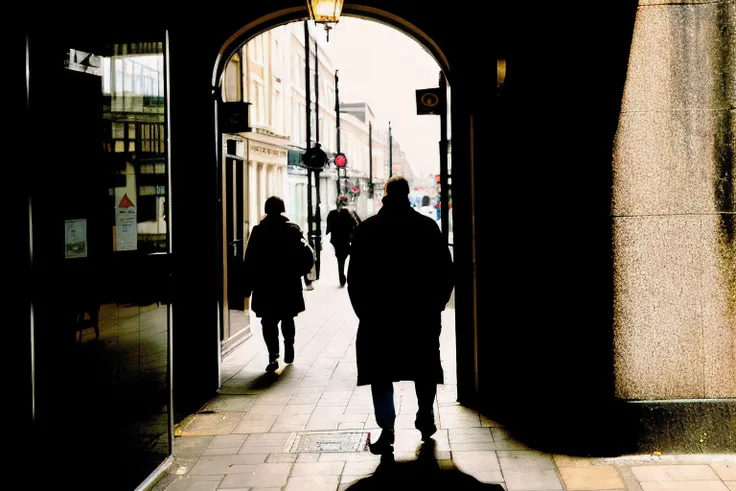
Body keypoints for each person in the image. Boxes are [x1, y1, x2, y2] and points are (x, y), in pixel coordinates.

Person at [347, 176, 454, 454]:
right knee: (424, 367)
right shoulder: (427, 227)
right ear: (407, 195)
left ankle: (387, 428)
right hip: (420, 315)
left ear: (385, 195)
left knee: (381, 372)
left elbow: (355, 277)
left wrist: (364, 312)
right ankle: (425, 415)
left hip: (379, 317)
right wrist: (436, 305)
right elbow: (446, 271)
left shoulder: (368, 229)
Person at [242, 196, 314, 372]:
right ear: (282, 208)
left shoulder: (258, 231)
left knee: (268, 321)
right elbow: (306, 255)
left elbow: (249, 259)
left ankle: (273, 355)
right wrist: (301, 274)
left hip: (265, 283)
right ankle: (289, 346)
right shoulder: (293, 229)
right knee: (287, 317)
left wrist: (247, 285)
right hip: (288, 282)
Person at [326, 195, 360, 286]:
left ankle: (341, 275)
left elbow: (328, 228)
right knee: (350, 258)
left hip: (337, 240)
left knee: (340, 259)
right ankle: (346, 276)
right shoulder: (351, 213)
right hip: (347, 240)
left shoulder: (332, 213)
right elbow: (358, 225)